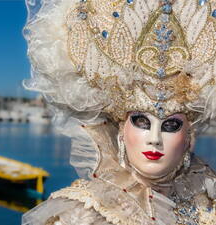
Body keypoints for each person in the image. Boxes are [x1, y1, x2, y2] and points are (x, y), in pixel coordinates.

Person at [22, 0, 216, 224]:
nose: (155, 139)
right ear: (122, 129)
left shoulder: (206, 202)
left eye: (170, 126)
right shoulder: (84, 215)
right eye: (141, 122)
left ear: (188, 136)